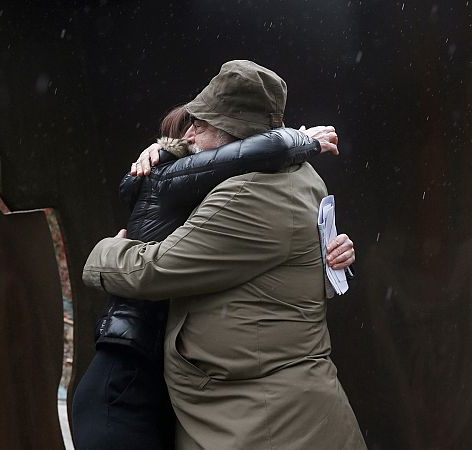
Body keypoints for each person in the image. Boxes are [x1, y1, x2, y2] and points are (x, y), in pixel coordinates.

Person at [82, 60, 365, 449]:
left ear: (237, 134)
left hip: (266, 424)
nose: (191, 132)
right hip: (280, 412)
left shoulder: (246, 195)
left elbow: (152, 270)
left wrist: (105, 251)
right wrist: (162, 154)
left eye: (203, 124)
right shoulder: (299, 174)